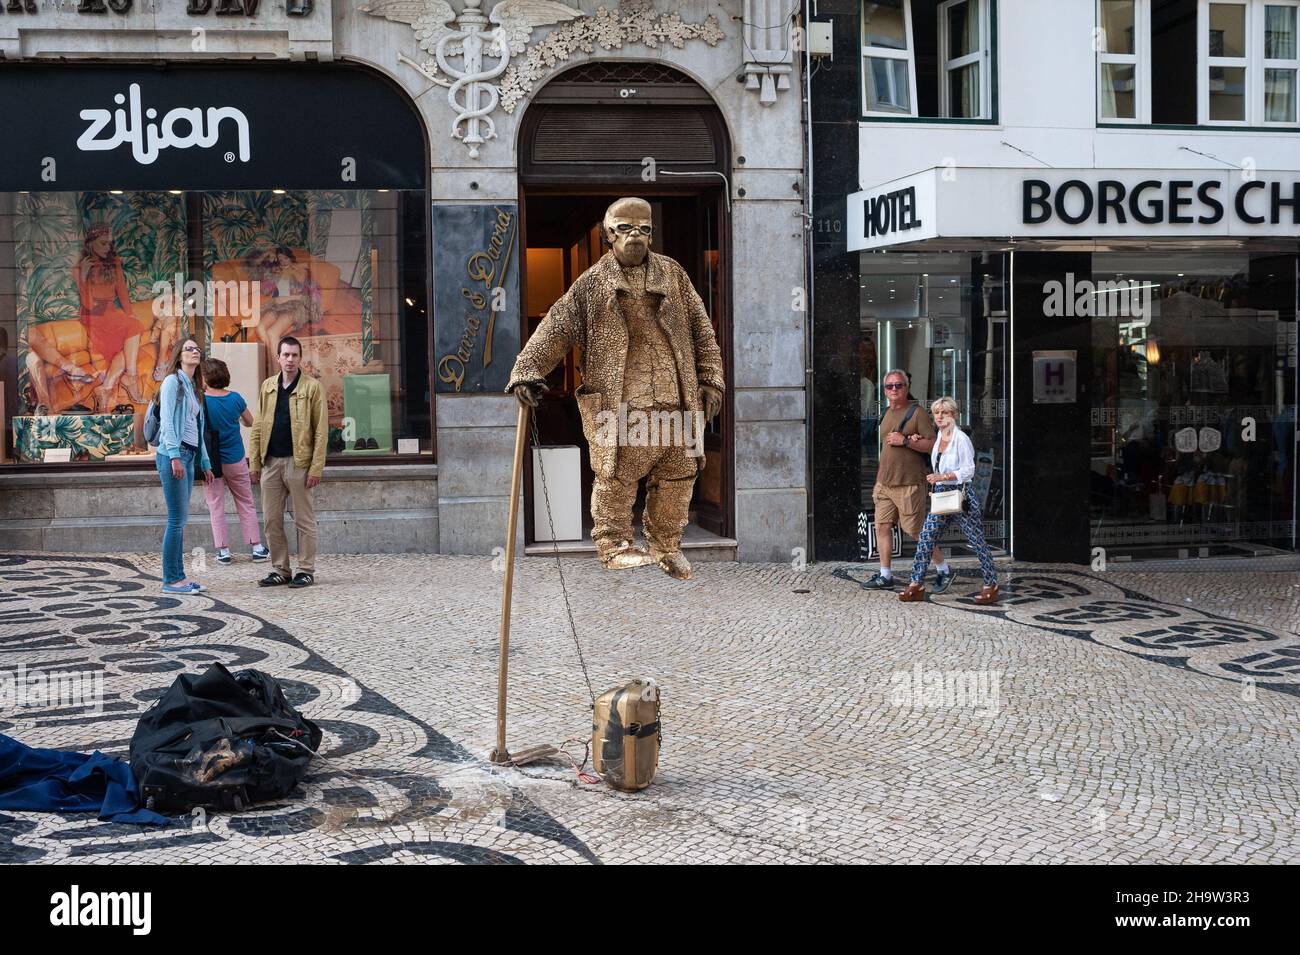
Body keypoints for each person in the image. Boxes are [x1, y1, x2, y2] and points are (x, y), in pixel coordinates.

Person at [507, 197, 725, 580]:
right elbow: (557, 328)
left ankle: (666, 545)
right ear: (609, 234)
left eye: (643, 228)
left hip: (677, 402)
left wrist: (711, 379)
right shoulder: (592, 285)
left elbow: (701, 329)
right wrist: (527, 370)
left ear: (652, 233)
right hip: (620, 405)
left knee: (679, 474)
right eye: (625, 228)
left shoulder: (674, 276)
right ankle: (614, 545)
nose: (635, 236)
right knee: (615, 477)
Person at [899, 397, 1000, 605]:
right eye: (937, 413)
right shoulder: (939, 437)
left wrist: (943, 477)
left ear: (953, 415)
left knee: (976, 541)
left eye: (944, 413)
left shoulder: (961, 439)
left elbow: (969, 470)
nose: (940, 417)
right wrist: (917, 440)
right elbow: (937, 461)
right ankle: (916, 584)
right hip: (942, 497)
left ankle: (991, 586)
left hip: (960, 495)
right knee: (926, 537)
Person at [249, 336, 328, 589]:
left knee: (304, 520)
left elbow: (321, 431)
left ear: (300, 358)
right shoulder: (268, 386)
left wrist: (316, 467)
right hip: (271, 462)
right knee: (272, 520)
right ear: (278, 357)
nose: (290, 360)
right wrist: (254, 463)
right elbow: (259, 425)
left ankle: (306, 569)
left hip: (299, 463)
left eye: (295, 355)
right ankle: (280, 569)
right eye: (286, 355)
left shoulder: (312, 388)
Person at [863, 369, 945, 590]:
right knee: (881, 527)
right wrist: (878, 480)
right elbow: (886, 451)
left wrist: (906, 441)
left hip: (909, 483)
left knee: (916, 530)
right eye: (889, 386)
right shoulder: (885, 413)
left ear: (907, 387)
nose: (894, 389)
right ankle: (885, 574)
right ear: (884, 390)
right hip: (885, 484)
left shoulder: (917, 413)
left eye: (899, 385)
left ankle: (943, 570)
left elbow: (933, 445)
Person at [155, 339, 214, 594]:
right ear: (179, 355)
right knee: (176, 520)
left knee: (181, 519)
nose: (195, 352)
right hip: (174, 455)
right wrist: (174, 456)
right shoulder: (172, 382)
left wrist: (205, 462)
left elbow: (197, 429)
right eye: (189, 348)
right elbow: (167, 422)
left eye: (197, 349)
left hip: (188, 455)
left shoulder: (192, 386)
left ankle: (178, 576)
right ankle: (171, 579)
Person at [202, 357, 271, 565]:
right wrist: (236, 419)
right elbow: (251, 422)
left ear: (204, 378)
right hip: (235, 458)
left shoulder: (201, 401)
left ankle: (223, 551)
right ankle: (257, 547)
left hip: (211, 461)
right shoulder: (236, 399)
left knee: (215, 505)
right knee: (245, 502)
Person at [77, 224, 146, 411]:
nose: (107, 248)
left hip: (110, 312)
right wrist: (83, 277)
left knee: (132, 330)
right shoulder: (80, 267)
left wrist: (130, 313)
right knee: (133, 329)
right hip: (93, 315)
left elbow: (122, 291)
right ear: (91, 244)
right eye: (102, 243)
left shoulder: (113, 262)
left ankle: (106, 386)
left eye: (109, 244)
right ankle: (129, 378)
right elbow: (88, 304)